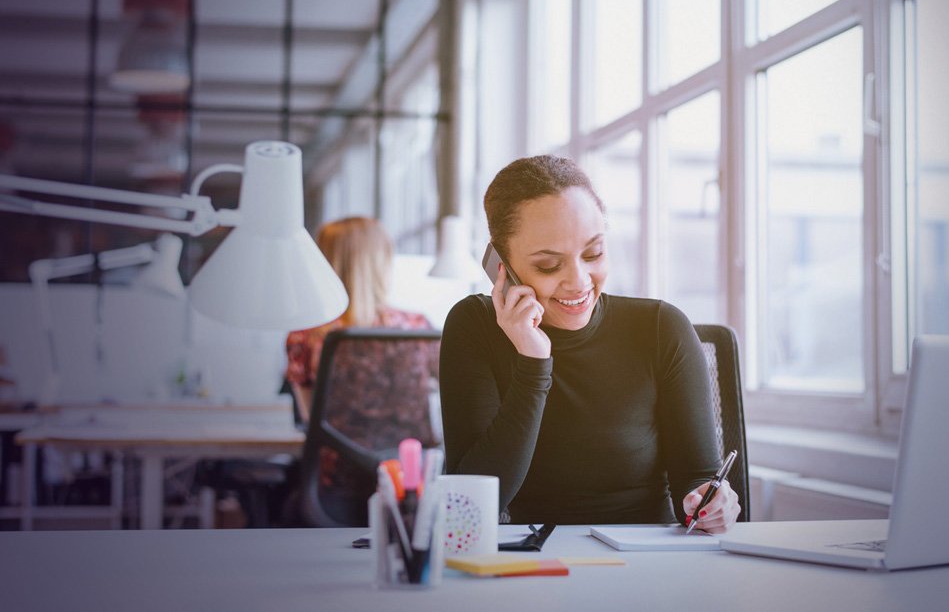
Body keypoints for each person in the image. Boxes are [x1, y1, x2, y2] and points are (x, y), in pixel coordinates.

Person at [439, 155, 741, 531]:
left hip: (647, 562)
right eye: (549, 265)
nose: (579, 281)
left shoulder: (662, 328)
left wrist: (712, 504)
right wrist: (533, 362)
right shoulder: (474, 327)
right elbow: (470, 510)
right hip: (535, 565)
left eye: (593, 253)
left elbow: (697, 483)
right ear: (503, 267)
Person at [285, 216, 435, 524]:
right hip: (408, 486)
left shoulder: (306, 336)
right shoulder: (419, 328)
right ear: (382, 263)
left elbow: (310, 419)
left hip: (334, 490)